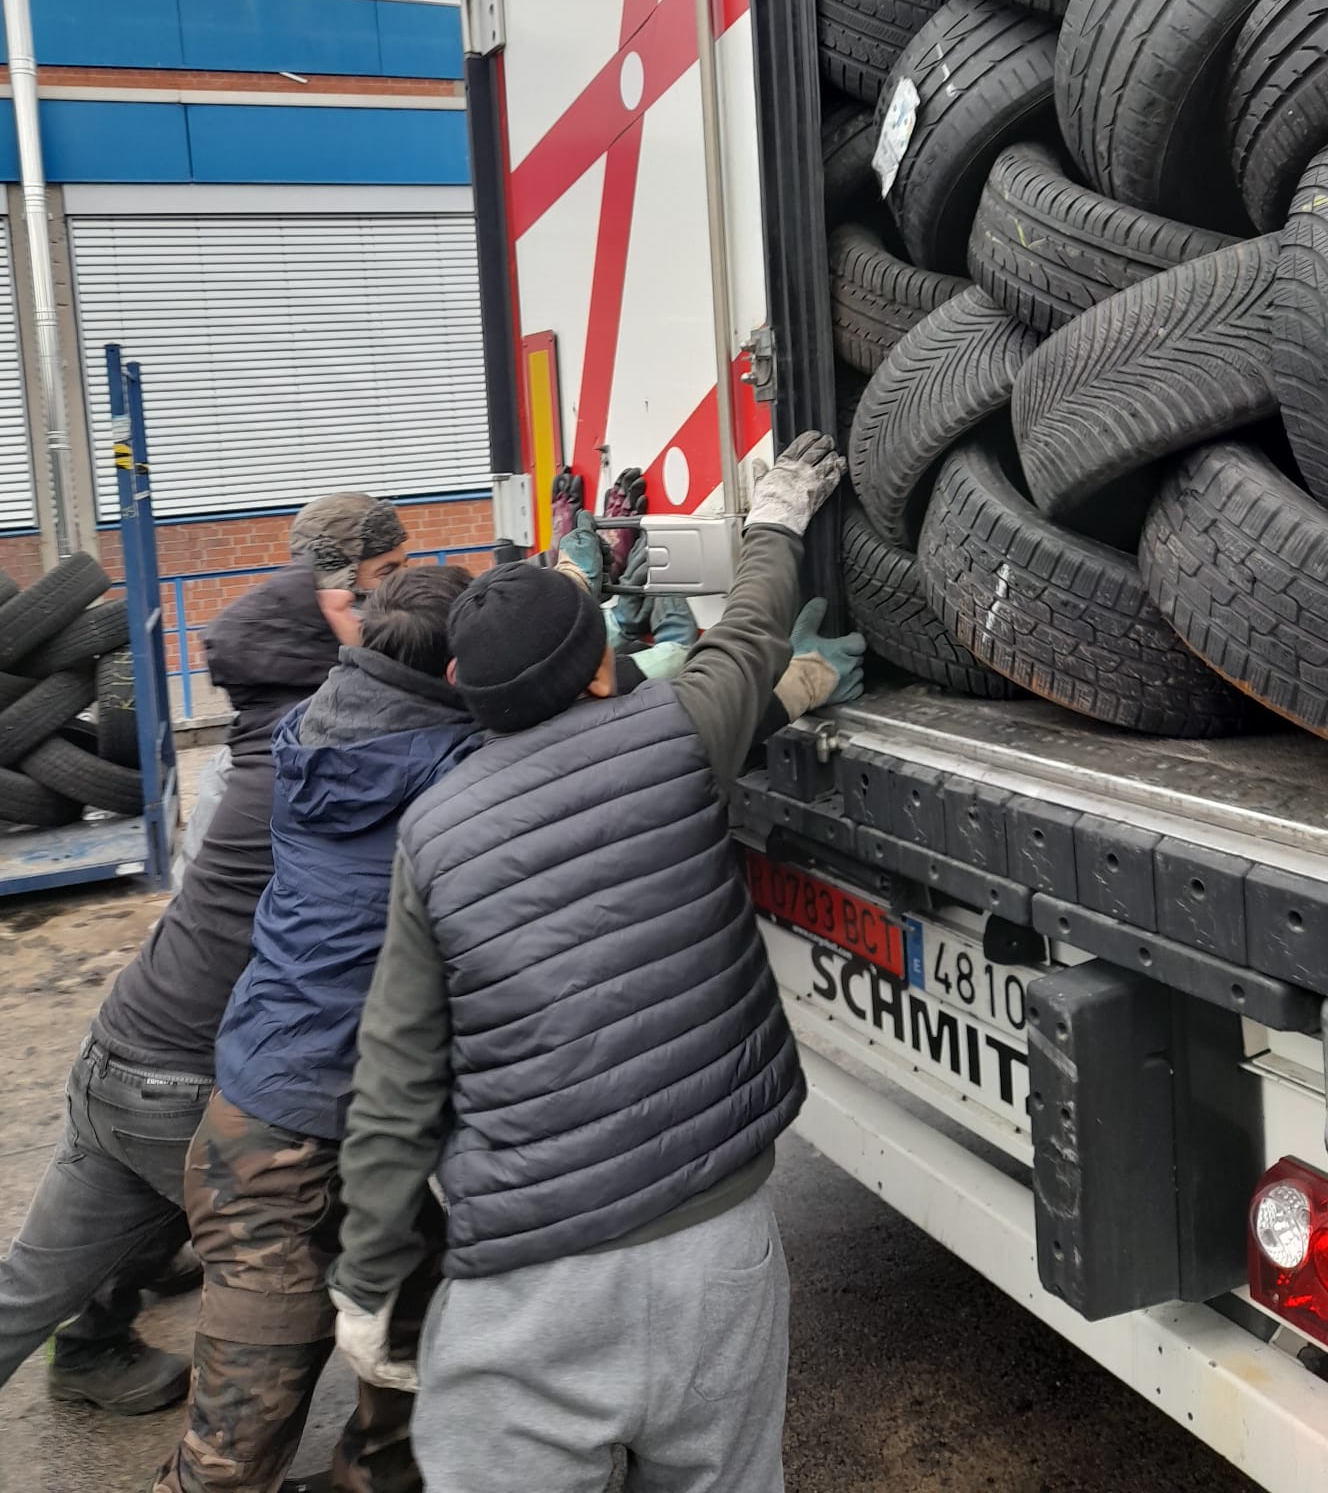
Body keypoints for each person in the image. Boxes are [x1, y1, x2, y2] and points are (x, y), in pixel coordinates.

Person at [326, 433, 847, 1493]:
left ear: (466, 688)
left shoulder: (433, 834)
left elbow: (396, 1078)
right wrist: (777, 519)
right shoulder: (676, 732)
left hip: (529, 1286)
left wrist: (368, 1278)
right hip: (718, 1249)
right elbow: (751, 630)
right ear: (603, 666)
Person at [0, 493, 407, 1414]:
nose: (398, 597)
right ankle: (329, 1460)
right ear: (333, 606)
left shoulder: (260, 724)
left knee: (45, 1273)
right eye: (383, 580)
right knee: (340, 1272)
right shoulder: (329, 753)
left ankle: (89, 1349)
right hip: (189, 1079)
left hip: (123, 1045)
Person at [150, 564, 477, 1493]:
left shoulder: (311, 728)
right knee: (231, 1453)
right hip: (276, 1154)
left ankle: (377, 1478)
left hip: (296, 1106)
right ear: (457, 675)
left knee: (415, 1316)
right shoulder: (451, 775)